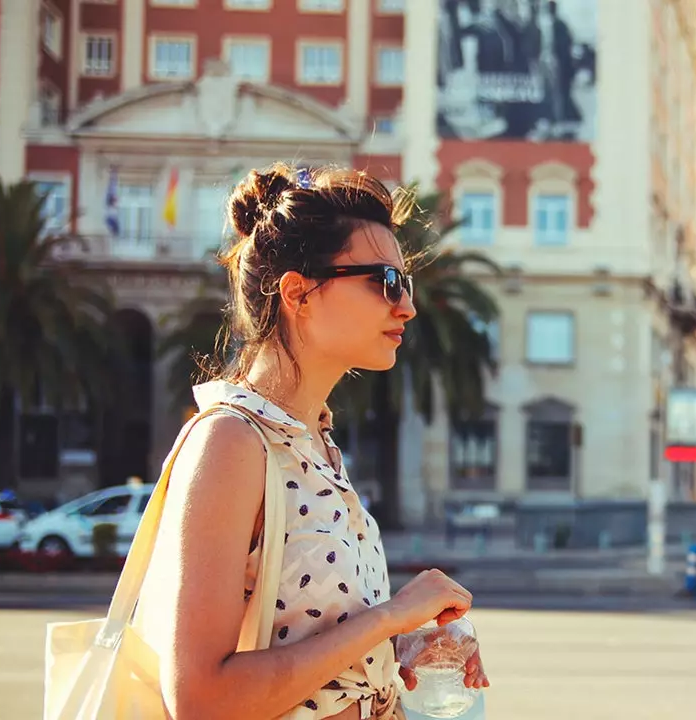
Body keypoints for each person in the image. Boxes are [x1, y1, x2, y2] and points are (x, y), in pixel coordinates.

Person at [134, 164, 488, 719]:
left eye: (408, 284)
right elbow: (200, 700)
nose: (408, 306)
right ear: (299, 293)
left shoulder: (314, 445)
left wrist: (400, 647)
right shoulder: (231, 441)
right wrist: (389, 617)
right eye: (386, 282)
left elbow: (303, 646)